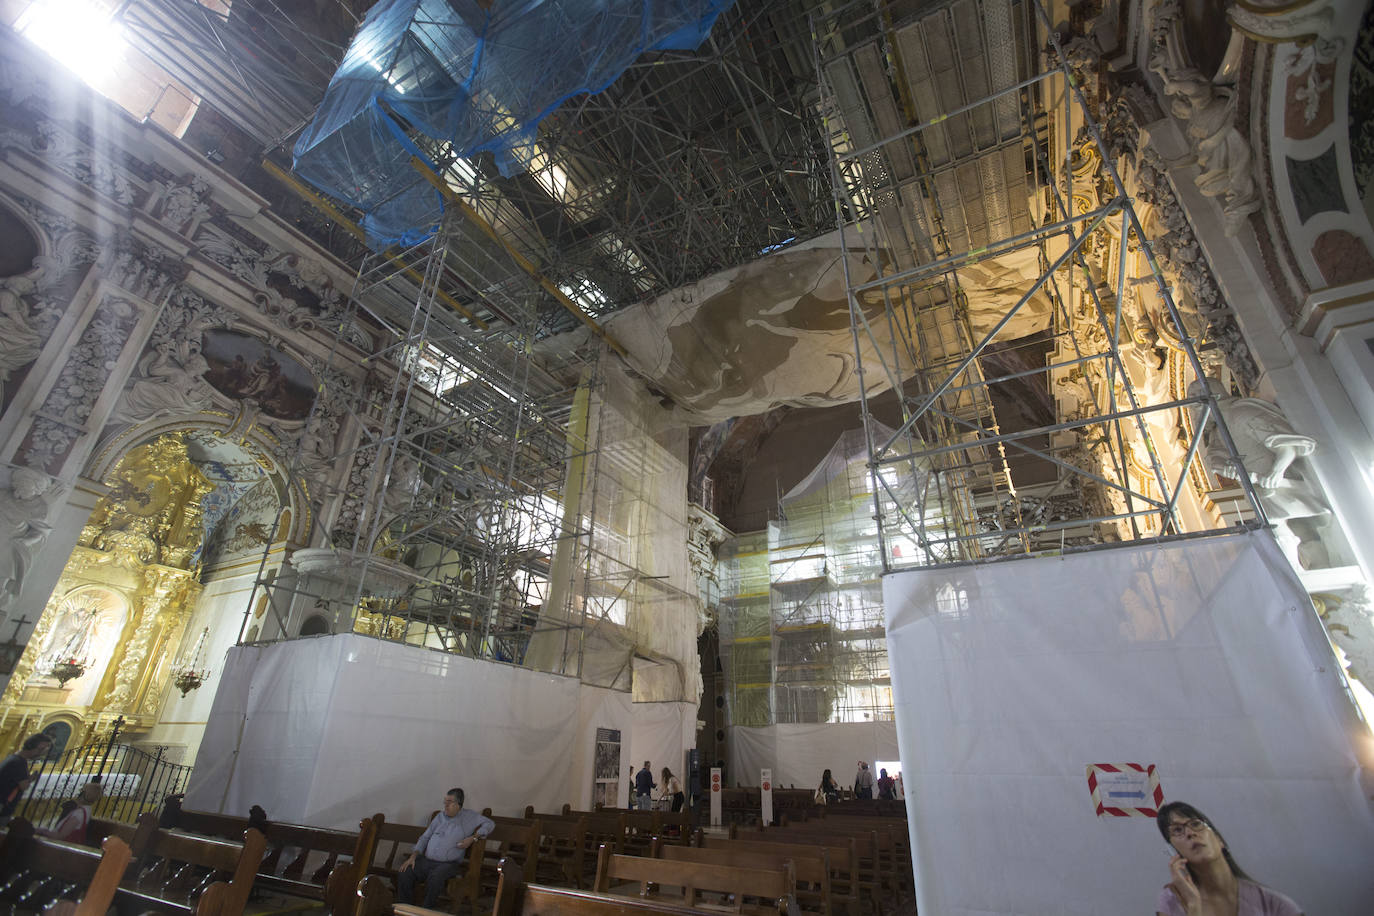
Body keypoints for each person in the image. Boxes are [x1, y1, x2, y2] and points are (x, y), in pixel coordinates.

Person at [1155, 801, 1303, 916]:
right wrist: (1194, 908)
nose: (1190, 832)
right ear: (1173, 851)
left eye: (1196, 824)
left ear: (1219, 840)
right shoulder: (1172, 901)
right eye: (1177, 830)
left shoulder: (1275, 904)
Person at [397, 788, 494, 908]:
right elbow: (425, 837)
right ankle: (404, 909)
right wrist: (413, 856)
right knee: (405, 871)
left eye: (450, 802)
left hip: (448, 864)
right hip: (427, 860)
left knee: (435, 877)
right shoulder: (440, 817)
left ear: (459, 804)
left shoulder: (470, 817)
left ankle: (427, 910)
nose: (446, 806)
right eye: (445, 802)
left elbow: (490, 824)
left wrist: (473, 838)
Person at [0, 733, 52, 823]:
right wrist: (32, 779)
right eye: (42, 749)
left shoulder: (14, 758)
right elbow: (23, 786)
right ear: (36, 748)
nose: (42, 753)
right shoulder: (18, 762)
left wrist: (30, 778)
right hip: (3, 805)